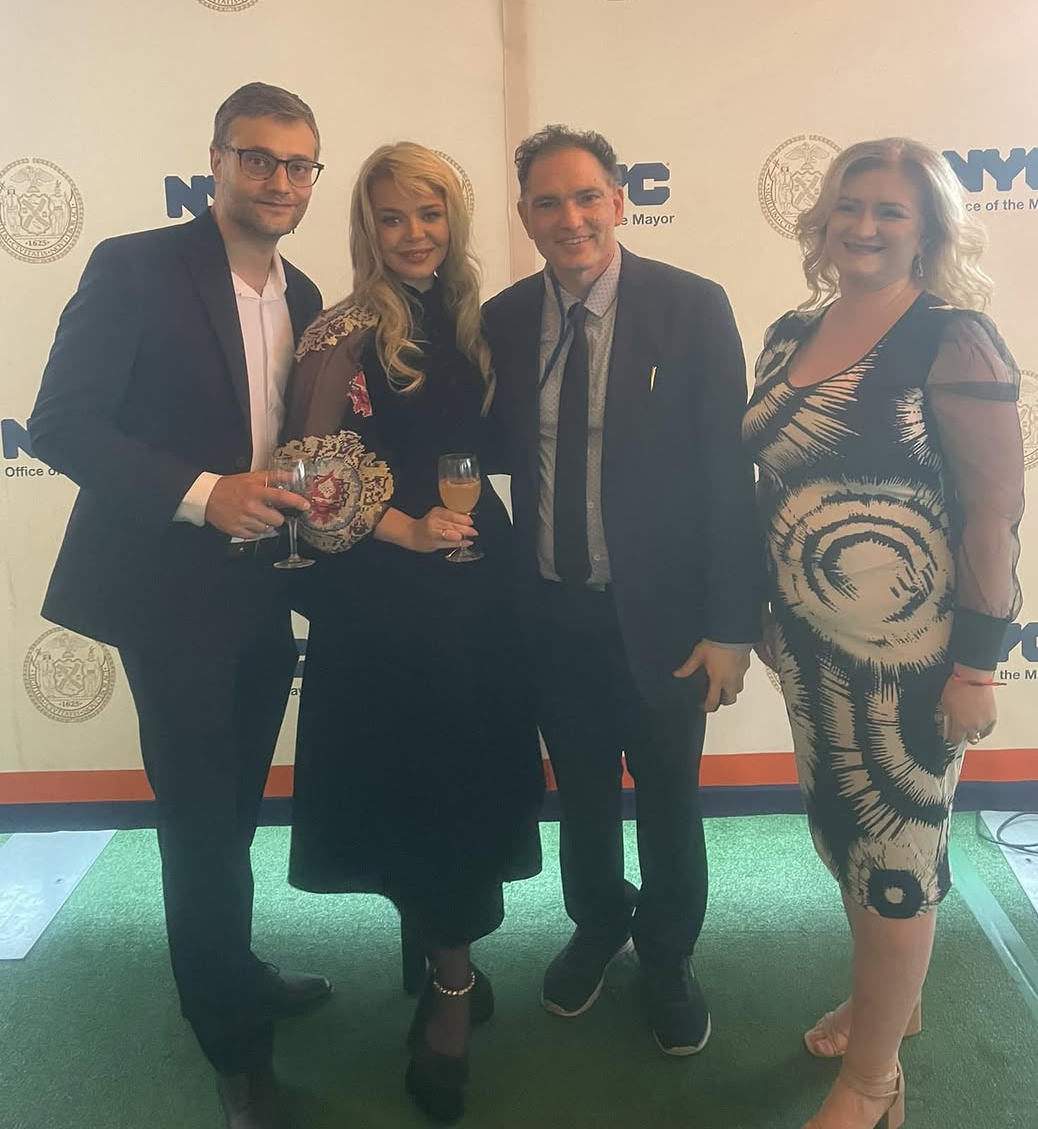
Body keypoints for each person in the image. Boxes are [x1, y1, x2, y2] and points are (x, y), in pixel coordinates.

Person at [30, 83, 329, 1129]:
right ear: (215, 162)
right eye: (258, 158)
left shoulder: (305, 294)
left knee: (232, 812)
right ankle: (233, 1046)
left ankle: (228, 968)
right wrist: (206, 494)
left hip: (265, 592)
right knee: (201, 826)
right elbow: (60, 424)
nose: (279, 180)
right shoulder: (134, 267)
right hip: (169, 594)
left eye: (298, 164)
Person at [743, 137, 1024, 1129]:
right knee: (848, 842)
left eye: (889, 211)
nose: (863, 225)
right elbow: (770, 481)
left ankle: (871, 1085)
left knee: (896, 868)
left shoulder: (953, 338)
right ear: (824, 218)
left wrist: (978, 666)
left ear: (927, 229)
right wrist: (764, 612)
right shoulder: (789, 332)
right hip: (809, 652)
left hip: (913, 663)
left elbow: (991, 514)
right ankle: (887, 1011)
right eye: (849, 205)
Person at [482, 125, 761, 1056]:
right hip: (550, 612)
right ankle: (599, 923)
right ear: (525, 216)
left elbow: (727, 475)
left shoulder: (691, 306)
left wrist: (732, 625)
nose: (570, 218)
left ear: (619, 202)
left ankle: (668, 953)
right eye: (548, 202)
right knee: (585, 797)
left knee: (670, 799)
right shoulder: (504, 320)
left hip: (666, 620)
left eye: (586, 197)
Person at [282, 142, 543, 1125]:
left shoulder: (475, 318)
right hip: (388, 601)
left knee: (465, 786)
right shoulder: (342, 329)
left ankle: (442, 960)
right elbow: (307, 469)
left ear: (454, 221)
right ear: (367, 228)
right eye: (392, 217)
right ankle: (452, 989)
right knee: (421, 793)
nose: (413, 233)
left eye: (429, 214)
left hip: (479, 592)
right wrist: (407, 530)